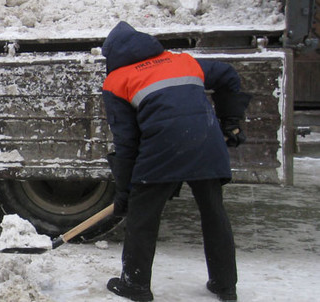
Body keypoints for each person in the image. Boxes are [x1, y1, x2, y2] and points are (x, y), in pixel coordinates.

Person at [100, 21, 250, 302]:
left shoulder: (117, 81)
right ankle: (225, 285)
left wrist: (125, 191)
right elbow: (228, 75)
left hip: (163, 148)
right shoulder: (183, 60)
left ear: (112, 56)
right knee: (214, 214)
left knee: (142, 217)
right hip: (208, 143)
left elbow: (126, 142)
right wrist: (231, 121)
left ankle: (135, 284)